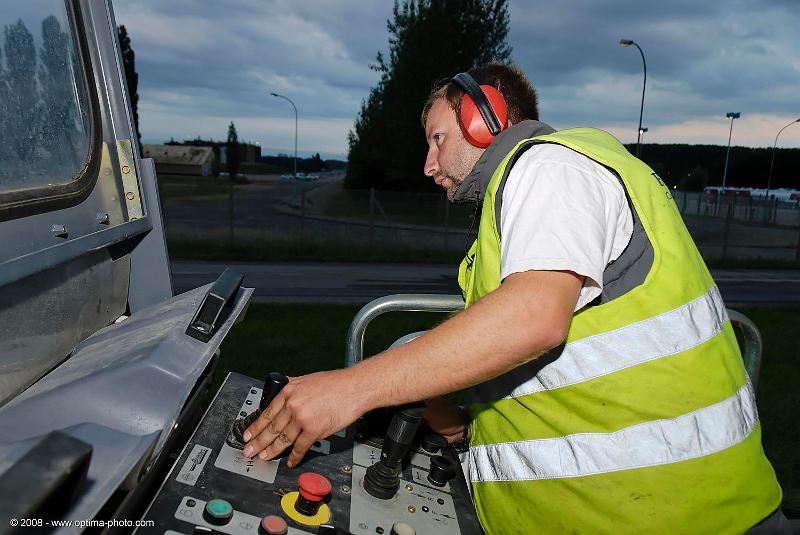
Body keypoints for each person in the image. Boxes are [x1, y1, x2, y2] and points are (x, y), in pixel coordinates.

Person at [242, 63, 787, 534]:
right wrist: (462, 406)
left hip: (674, 515)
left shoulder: (548, 166)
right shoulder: (529, 197)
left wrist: (351, 388)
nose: (428, 165)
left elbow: (533, 319)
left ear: (486, 120)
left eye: (437, 139)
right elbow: (550, 346)